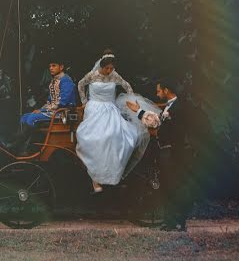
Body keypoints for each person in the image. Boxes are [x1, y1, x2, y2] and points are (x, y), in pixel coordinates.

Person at [75, 52, 159, 192]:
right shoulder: (92, 75)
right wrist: (84, 102)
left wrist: (131, 99)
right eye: (107, 68)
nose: (109, 71)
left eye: (111, 68)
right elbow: (80, 85)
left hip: (110, 107)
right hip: (94, 108)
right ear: (101, 66)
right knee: (97, 138)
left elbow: (127, 86)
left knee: (117, 136)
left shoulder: (114, 75)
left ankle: (111, 173)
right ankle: (95, 177)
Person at [126, 77, 199, 231]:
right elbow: (157, 121)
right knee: (168, 186)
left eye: (159, 90)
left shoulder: (178, 107)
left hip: (174, 151)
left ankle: (179, 221)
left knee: (174, 186)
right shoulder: (170, 107)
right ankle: (172, 221)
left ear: (167, 90)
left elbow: (160, 124)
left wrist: (139, 111)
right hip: (168, 150)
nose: (157, 92)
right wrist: (138, 111)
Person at [11, 58, 77, 154]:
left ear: (61, 67)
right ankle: (21, 146)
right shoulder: (54, 80)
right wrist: (40, 109)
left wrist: (43, 111)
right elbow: (50, 101)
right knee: (25, 117)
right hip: (53, 110)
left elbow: (62, 102)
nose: (51, 68)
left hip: (63, 112)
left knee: (33, 118)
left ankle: (23, 147)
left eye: (54, 65)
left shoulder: (66, 80)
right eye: (50, 66)